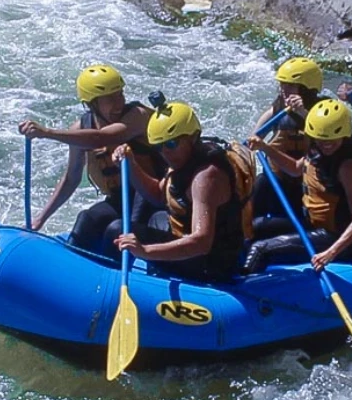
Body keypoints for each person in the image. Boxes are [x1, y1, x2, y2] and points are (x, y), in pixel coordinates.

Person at [104, 100, 255, 282]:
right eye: (159, 147)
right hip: (190, 240)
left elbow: (201, 243)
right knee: (155, 217)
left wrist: (145, 251)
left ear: (192, 137)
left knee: (116, 229)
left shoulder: (206, 178)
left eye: (172, 144)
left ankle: (109, 282)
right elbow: (159, 195)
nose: (166, 153)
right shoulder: (185, 160)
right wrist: (130, 164)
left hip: (209, 263)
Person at [17, 64, 164, 250]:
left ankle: (115, 272)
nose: (119, 102)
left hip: (152, 198)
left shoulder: (138, 116)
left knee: (118, 230)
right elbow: (71, 178)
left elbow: (102, 138)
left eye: (120, 94)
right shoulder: (79, 129)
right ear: (92, 103)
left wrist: (47, 132)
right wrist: (40, 220)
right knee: (86, 219)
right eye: (110, 98)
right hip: (119, 199)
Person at [243, 98, 352, 273]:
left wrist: (330, 253)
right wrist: (265, 147)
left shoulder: (349, 167)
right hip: (312, 225)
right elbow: (295, 169)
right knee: (253, 227)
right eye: (321, 139)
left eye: (332, 139)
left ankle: (242, 290)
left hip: (338, 237)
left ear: (344, 134)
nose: (326, 144)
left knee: (261, 249)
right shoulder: (317, 150)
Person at [252, 56, 325, 235]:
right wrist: (255, 141)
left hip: (305, 188)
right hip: (279, 183)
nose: (284, 90)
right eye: (282, 85)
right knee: (261, 182)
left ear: (307, 89)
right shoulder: (278, 107)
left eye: (290, 86)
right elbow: (255, 137)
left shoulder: (322, 113)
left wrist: (302, 112)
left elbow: (323, 134)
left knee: (259, 227)